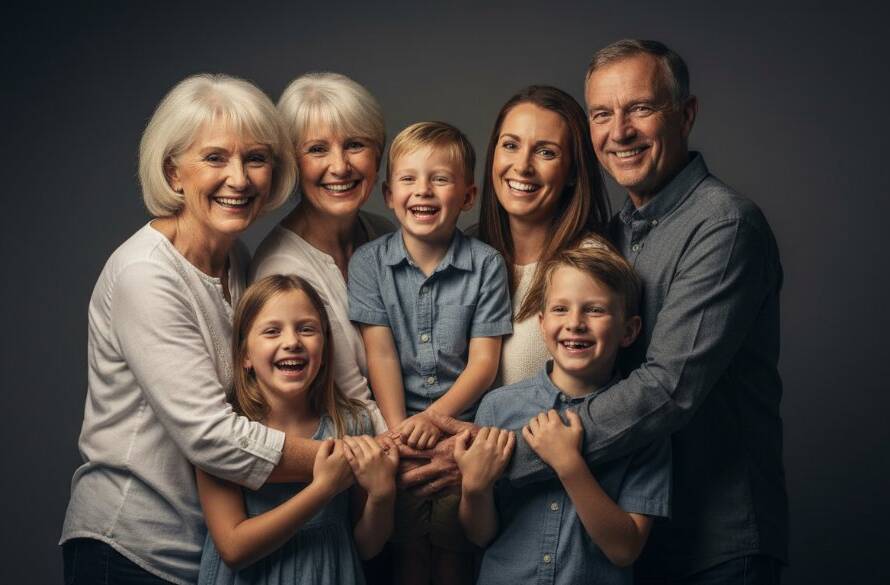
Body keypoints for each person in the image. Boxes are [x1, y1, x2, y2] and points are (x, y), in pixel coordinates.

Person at [408, 40, 788, 585]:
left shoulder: (722, 225)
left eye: (641, 108)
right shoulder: (613, 238)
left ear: (686, 114)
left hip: (715, 539)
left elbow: (667, 389)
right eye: (603, 114)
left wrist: (495, 460)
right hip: (615, 542)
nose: (620, 131)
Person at [60, 74, 332, 585]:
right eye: (215, 158)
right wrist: (348, 459)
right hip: (130, 551)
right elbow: (212, 437)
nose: (240, 178)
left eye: (256, 158)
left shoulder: (238, 262)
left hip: (205, 554)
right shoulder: (147, 274)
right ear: (174, 172)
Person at [347, 121, 513, 585]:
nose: (423, 190)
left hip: (459, 430)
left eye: (440, 179)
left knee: (454, 552)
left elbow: (484, 365)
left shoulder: (486, 265)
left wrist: (434, 421)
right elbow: (378, 354)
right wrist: (401, 432)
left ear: (468, 195)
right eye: (408, 179)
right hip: (397, 427)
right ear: (388, 192)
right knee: (407, 555)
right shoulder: (368, 263)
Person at [456, 246, 670, 585]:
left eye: (595, 310)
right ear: (542, 324)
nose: (575, 323)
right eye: (560, 309)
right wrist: (475, 487)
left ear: (629, 330)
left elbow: (625, 549)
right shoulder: (499, 407)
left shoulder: (644, 423)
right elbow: (480, 536)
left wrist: (569, 465)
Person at [197, 274, 398, 584]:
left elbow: (365, 547)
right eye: (272, 331)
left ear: (325, 345)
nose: (291, 342)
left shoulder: (352, 424)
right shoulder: (226, 431)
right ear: (245, 355)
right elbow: (234, 548)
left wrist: (382, 495)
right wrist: (322, 489)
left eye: (306, 329)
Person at [251, 72, 392, 434]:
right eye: (317, 149)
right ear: (293, 165)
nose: (340, 166)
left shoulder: (388, 234)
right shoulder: (281, 269)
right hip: (355, 461)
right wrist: (422, 448)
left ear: (379, 154)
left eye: (355, 145)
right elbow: (351, 402)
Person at [478, 84, 612, 386]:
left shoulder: (590, 264)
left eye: (546, 152)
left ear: (573, 173)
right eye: (510, 145)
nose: (523, 166)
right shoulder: (467, 251)